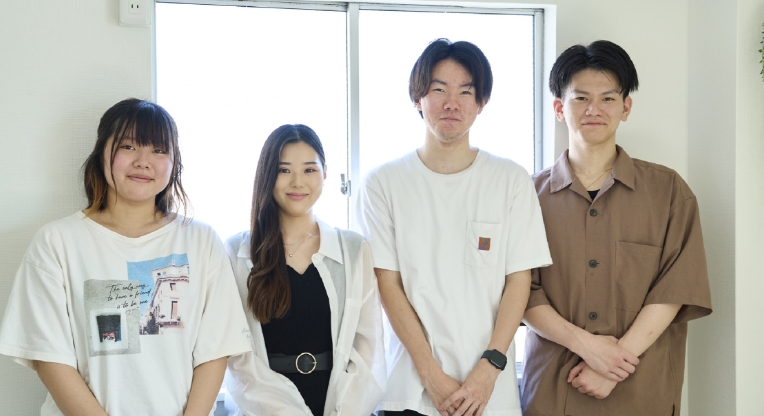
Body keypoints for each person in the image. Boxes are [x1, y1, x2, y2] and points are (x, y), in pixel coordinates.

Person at [0, 98, 252, 415]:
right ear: (101, 153)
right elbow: (48, 356)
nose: (143, 161)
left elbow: (215, 350)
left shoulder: (201, 240)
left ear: (174, 162)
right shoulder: (57, 242)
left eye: (158, 150)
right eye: (129, 146)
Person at [357, 39, 552, 416]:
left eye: (466, 91)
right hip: (409, 392)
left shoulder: (510, 179)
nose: (452, 103)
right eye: (438, 89)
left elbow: (519, 280)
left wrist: (490, 368)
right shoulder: (383, 182)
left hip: (490, 393)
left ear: (482, 102)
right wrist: (430, 375)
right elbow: (388, 284)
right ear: (417, 98)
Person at [521, 40, 713, 416]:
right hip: (553, 391)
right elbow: (520, 292)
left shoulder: (669, 191)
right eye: (580, 98)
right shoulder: (526, 197)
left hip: (644, 390)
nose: (594, 109)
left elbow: (676, 288)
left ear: (626, 108)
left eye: (608, 98)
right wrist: (588, 348)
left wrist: (613, 364)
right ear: (559, 108)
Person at [224, 124, 386, 416]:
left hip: (339, 407)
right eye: (284, 170)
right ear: (267, 175)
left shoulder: (353, 249)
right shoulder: (237, 251)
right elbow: (238, 357)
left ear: (325, 173)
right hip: (266, 410)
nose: (297, 182)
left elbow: (367, 346)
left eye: (309, 169)